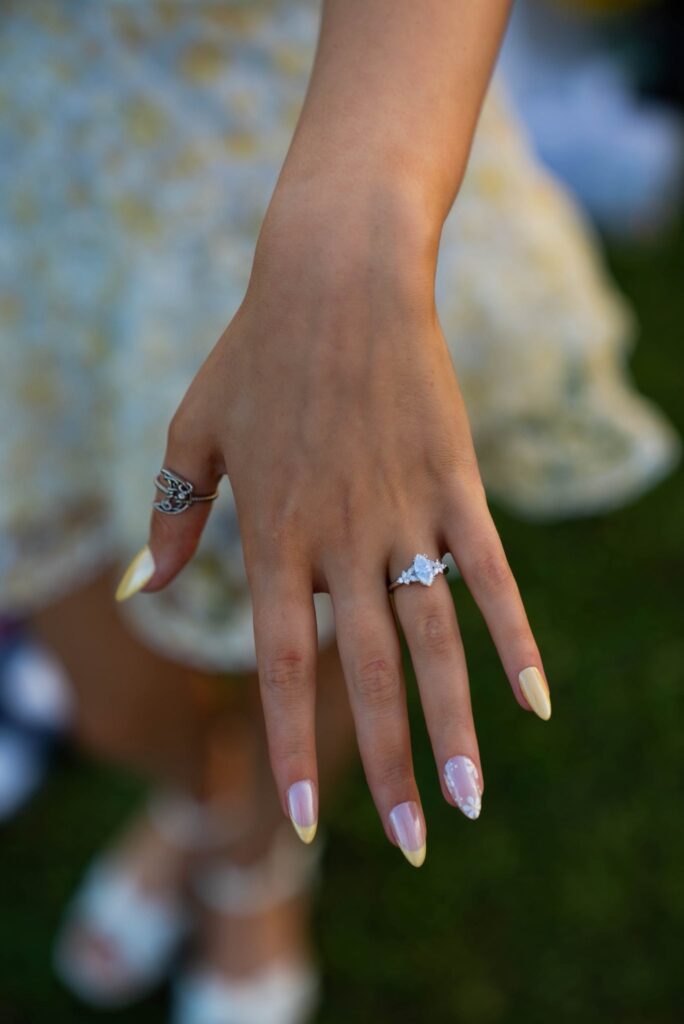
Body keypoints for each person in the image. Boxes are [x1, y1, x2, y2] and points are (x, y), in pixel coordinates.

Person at [0, 1, 677, 1021]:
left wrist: (353, 237)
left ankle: (256, 854)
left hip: (317, 118)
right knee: (116, 697)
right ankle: (197, 802)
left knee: (323, 604)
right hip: (46, 168)